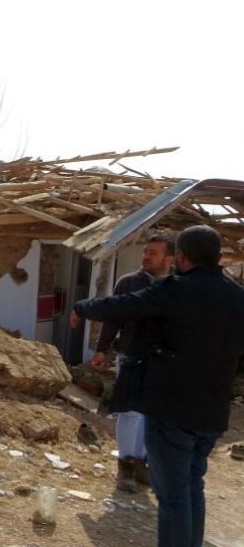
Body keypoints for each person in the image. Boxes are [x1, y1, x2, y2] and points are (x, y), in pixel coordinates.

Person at [70, 225, 244, 547]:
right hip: (212, 411)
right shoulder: (237, 296)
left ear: (180, 256)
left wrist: (82, 307)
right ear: (219, 257)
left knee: (174, 496)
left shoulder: (175, 290)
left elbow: (122, 306)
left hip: (173, 409)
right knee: (193, 487)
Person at [91, 234, 175, 492]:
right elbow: (113, 318)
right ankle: (125, 466)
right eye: (145, 251)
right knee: (130, 413)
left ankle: (142, 464)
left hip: (162, 361)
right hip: (130, 356)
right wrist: (101, 349)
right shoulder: (128, 283)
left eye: (153, 253)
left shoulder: (177, 287)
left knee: (152, 414)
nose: (146, 256)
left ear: (169, 259)